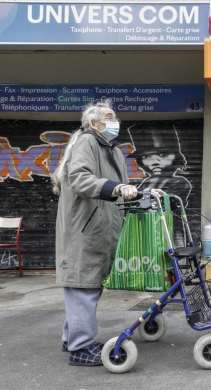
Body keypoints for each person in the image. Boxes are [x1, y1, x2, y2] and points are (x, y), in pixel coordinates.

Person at [52, 100, 162, 366]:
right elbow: (80, 178)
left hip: (100, 231)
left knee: (87, 286)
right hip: (84, 231)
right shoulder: (88, 142)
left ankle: (72, 339)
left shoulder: (110, 150)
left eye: (116, 117)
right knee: (82, 286)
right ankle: (80, 348)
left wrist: (144, 193)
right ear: (93, 122)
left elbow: (121, 190)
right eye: (110, 117)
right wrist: (116, 188)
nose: (116, 122)